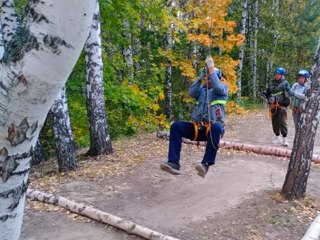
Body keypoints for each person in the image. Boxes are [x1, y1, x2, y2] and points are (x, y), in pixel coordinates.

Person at [160, 57, 228, 178]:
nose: (208, 79)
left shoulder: (222, 90)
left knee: (217, 127)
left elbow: (217, 87)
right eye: (207, 77)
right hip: (199, 129)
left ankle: (205, 164)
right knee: (176, 126)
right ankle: (173, 163)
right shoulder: (201, 91)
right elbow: (191, 92)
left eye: (210, 77)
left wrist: (211, 68)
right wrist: (200, 77)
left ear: (216, 78)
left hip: (213, 130)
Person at [264, 67, 291, 147]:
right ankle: (277, 136)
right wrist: (266, 94)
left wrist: (285, 105)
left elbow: (288, 95)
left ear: (282, 75)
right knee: (274, 121)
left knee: (282, 122)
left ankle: (285, 139)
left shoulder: (285, 83)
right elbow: (269, 93)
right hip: (273, 106)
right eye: (276, 74)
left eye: (278, 74)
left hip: (281, 105)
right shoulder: (272, 83)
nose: (276, 76)